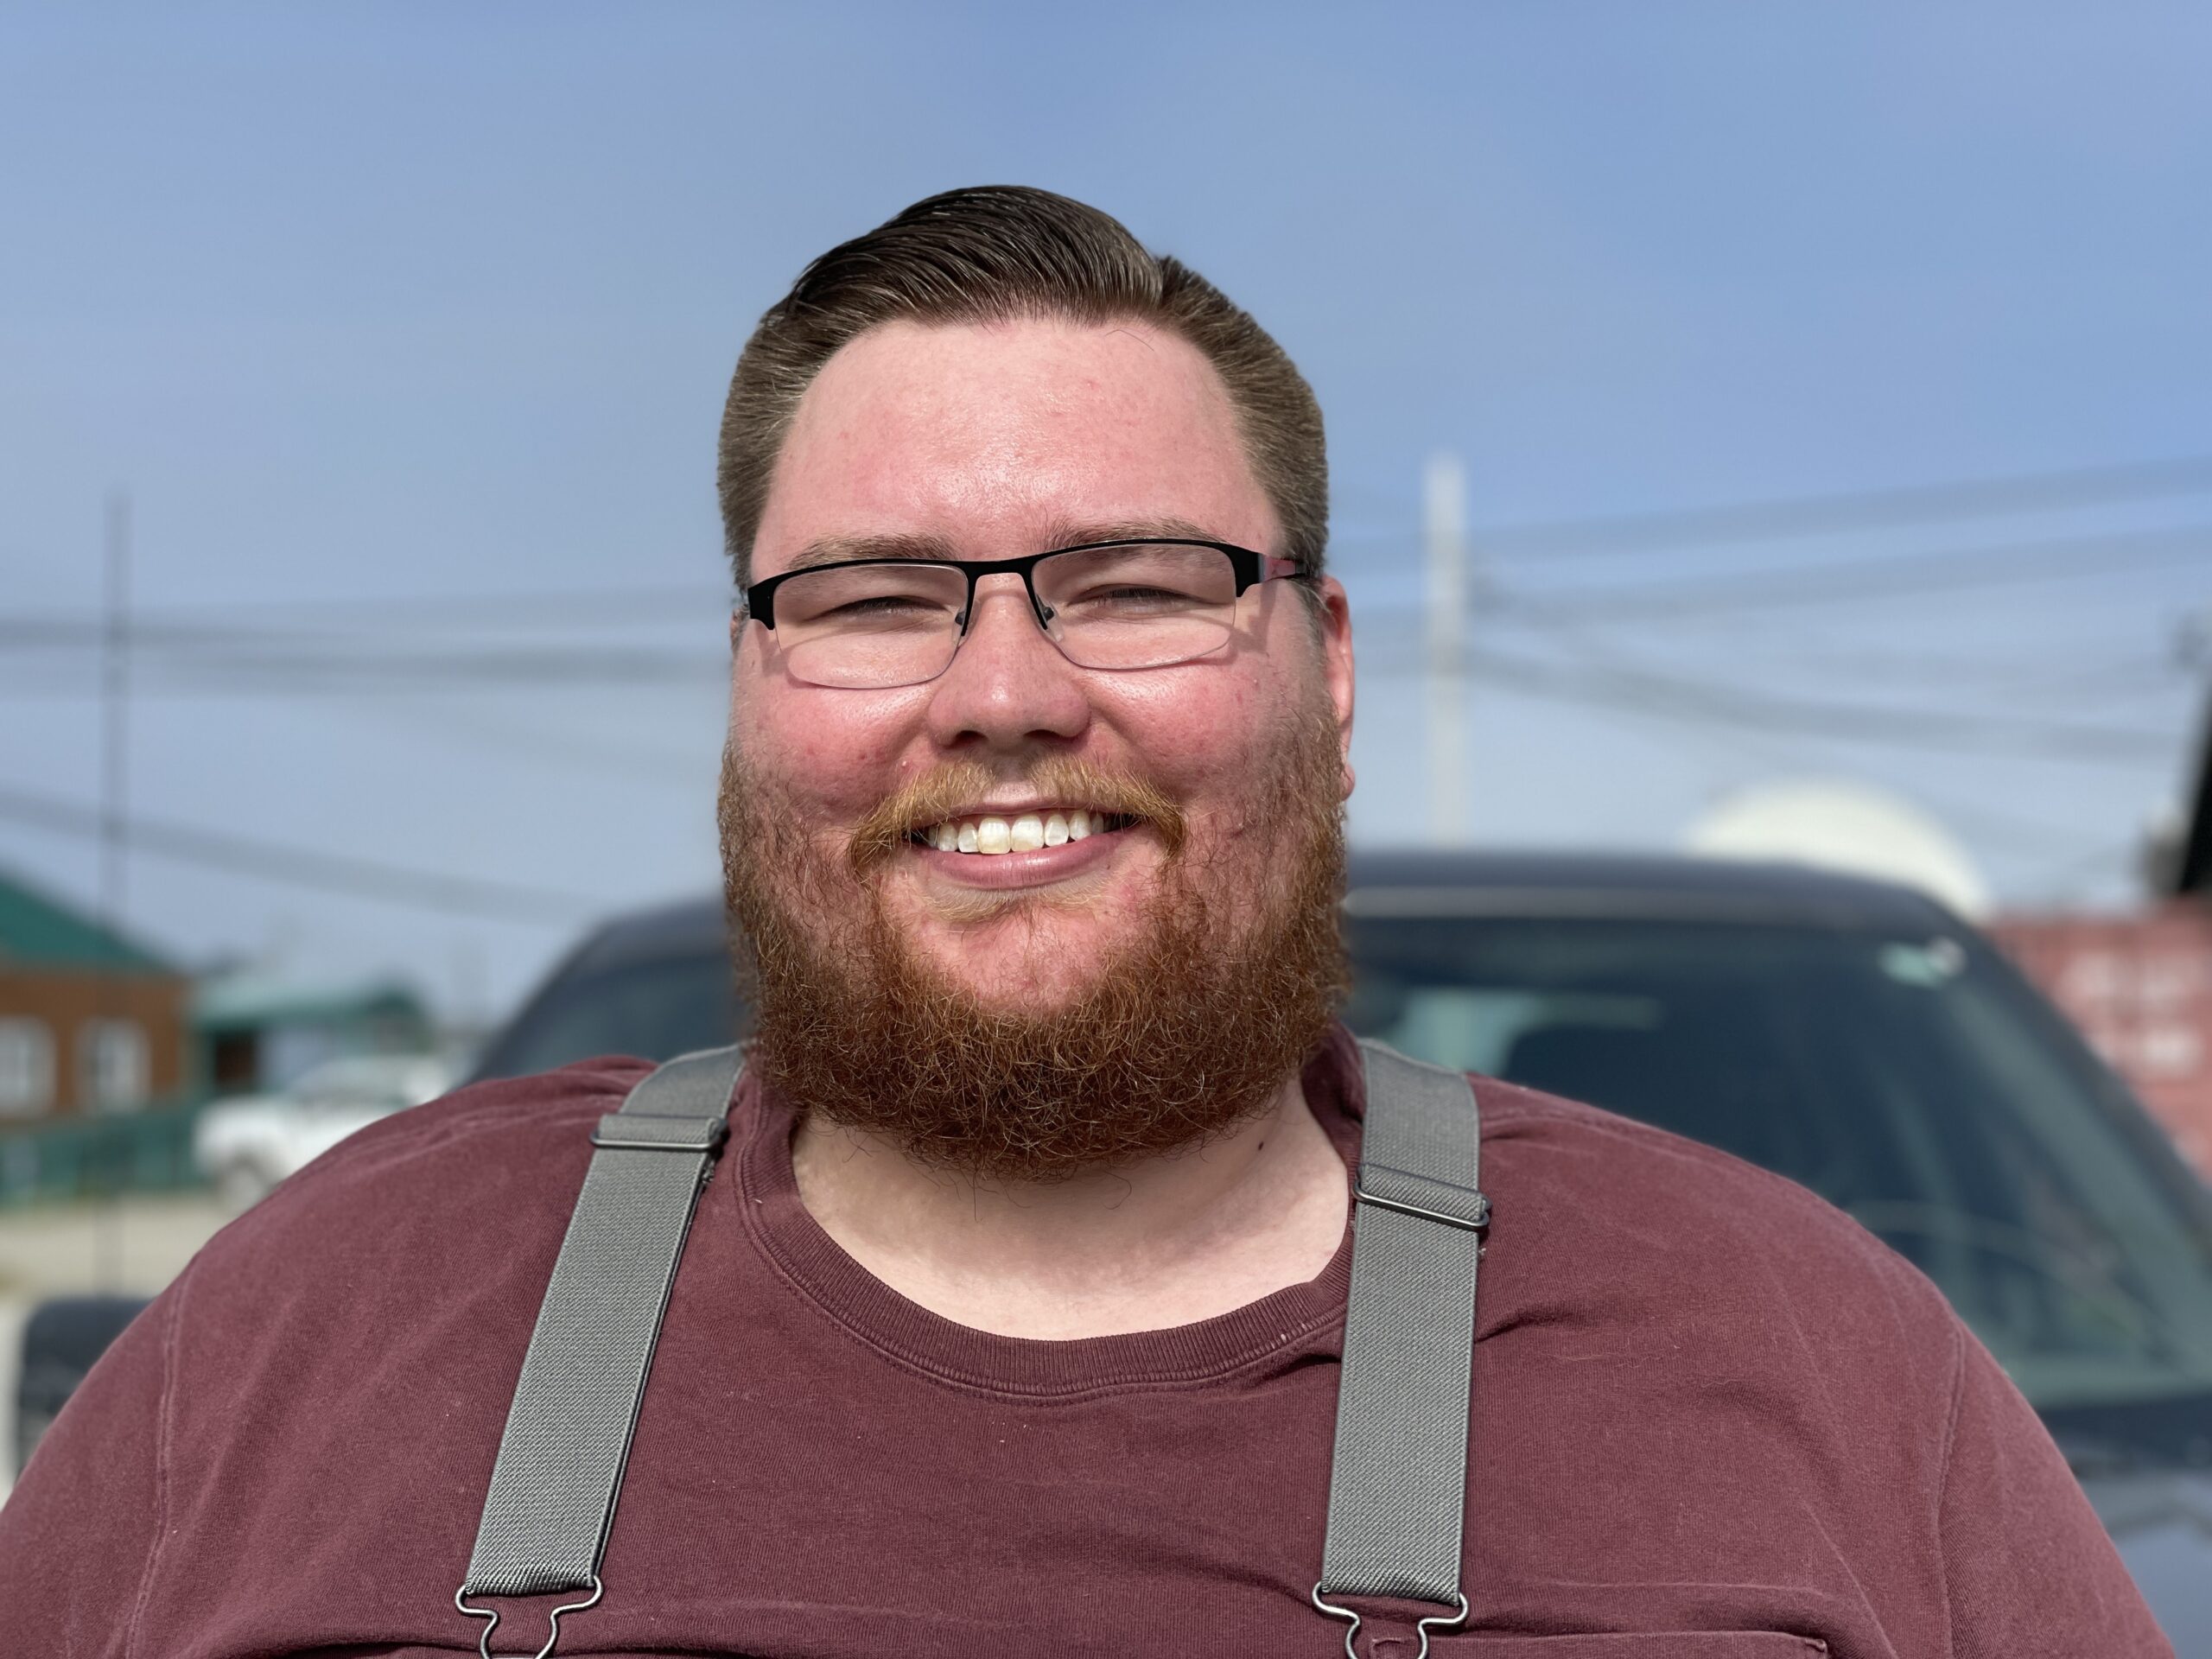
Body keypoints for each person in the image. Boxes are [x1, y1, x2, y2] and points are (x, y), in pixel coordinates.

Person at [1, 187, 2166, 1657]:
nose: (1008, 692)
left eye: (1130, 582)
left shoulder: (1809, 1360)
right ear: (755, 681)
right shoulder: (321, 1316)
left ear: (1320, 659)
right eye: (871, 600)